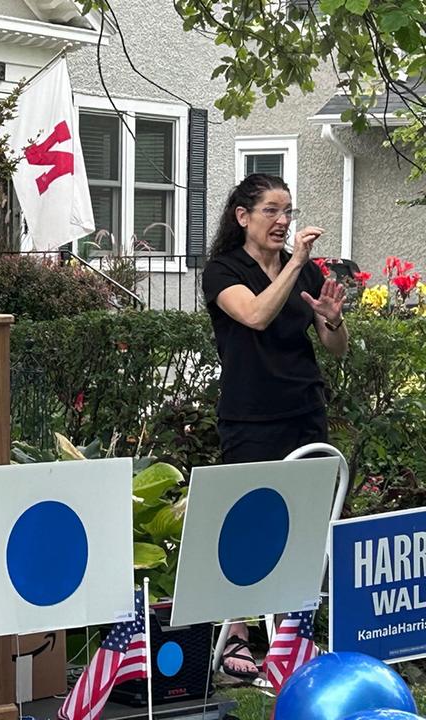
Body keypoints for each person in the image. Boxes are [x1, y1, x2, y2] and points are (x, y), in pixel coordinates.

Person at [201, 173, 348, 679]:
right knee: (248, 526)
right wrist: (298, 266)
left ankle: (289, 639)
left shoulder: (302, 273)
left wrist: (332, 319)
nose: (283, 221)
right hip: (250, 416)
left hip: (303, 410)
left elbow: (336, 349)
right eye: (271, 210)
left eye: (287, 210)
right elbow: (258, 315)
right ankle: (237, 636)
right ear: (243, 216)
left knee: (300, 527)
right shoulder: (223, 270)